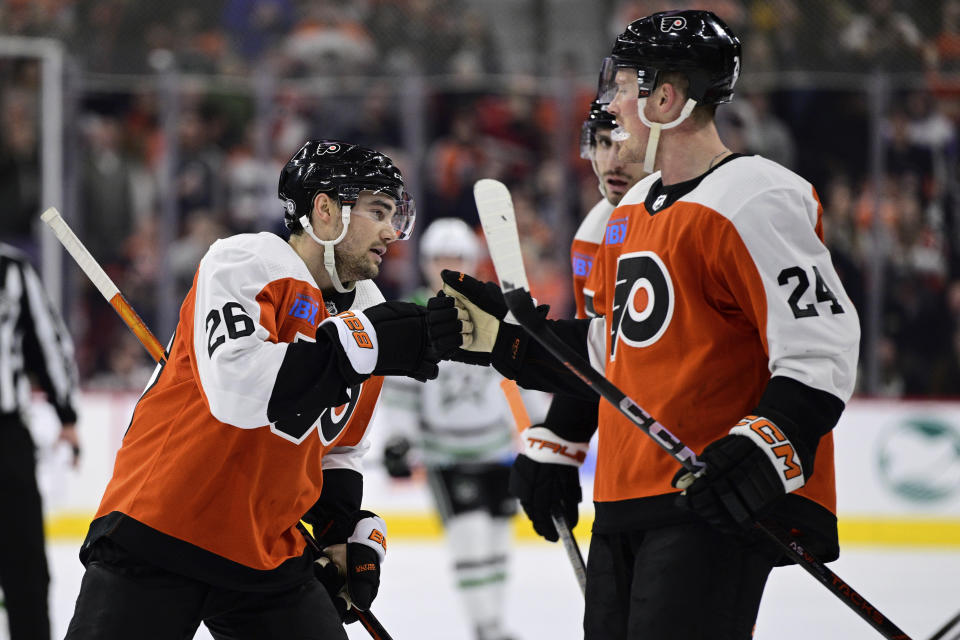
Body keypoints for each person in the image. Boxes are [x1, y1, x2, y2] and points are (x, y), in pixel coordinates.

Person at [429, 10, 860, 639]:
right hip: (625, 494)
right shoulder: (629, 213)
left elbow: (820, 344)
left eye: (626, 88)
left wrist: (765, 447)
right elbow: (615, 353)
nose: (613, 105)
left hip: (708, 496)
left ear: (666, 99)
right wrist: (513, 344)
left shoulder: (753, 196)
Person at [65, 140, 460, 640]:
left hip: (267, 551)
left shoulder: (368, 307)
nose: (391, 231)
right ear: (324, 210)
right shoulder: (244, 262)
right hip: (163, 528)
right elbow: (241, 393)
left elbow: (336, 448)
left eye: (394, 215)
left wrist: (342, 530)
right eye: (378, 211)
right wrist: (360, 346)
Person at [380, 217, 547, 640]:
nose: (447, 265)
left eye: (456, 257)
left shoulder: (493, 312)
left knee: (495, 546)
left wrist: (545, 426)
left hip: (495, 449)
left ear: (471, 261)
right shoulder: (412, 316)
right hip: (444, 456)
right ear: (424, 262)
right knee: (470, 540)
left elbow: (522, 372)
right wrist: (400, 440)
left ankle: (494, 625)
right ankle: (486, 629)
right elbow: (401, 394)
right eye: (439, 258)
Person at [509, 101, 646, 543]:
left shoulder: (691, 213)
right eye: (602, 144)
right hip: (628, 457)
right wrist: (560, 437)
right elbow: (600, 351)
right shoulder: (595, 230)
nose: (611, 161)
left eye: (624, 144)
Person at [0, 242, 80, 640]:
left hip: (6, 435)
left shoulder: (10, 269)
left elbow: (46, 343)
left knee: (25, 569)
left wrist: (67, 414)